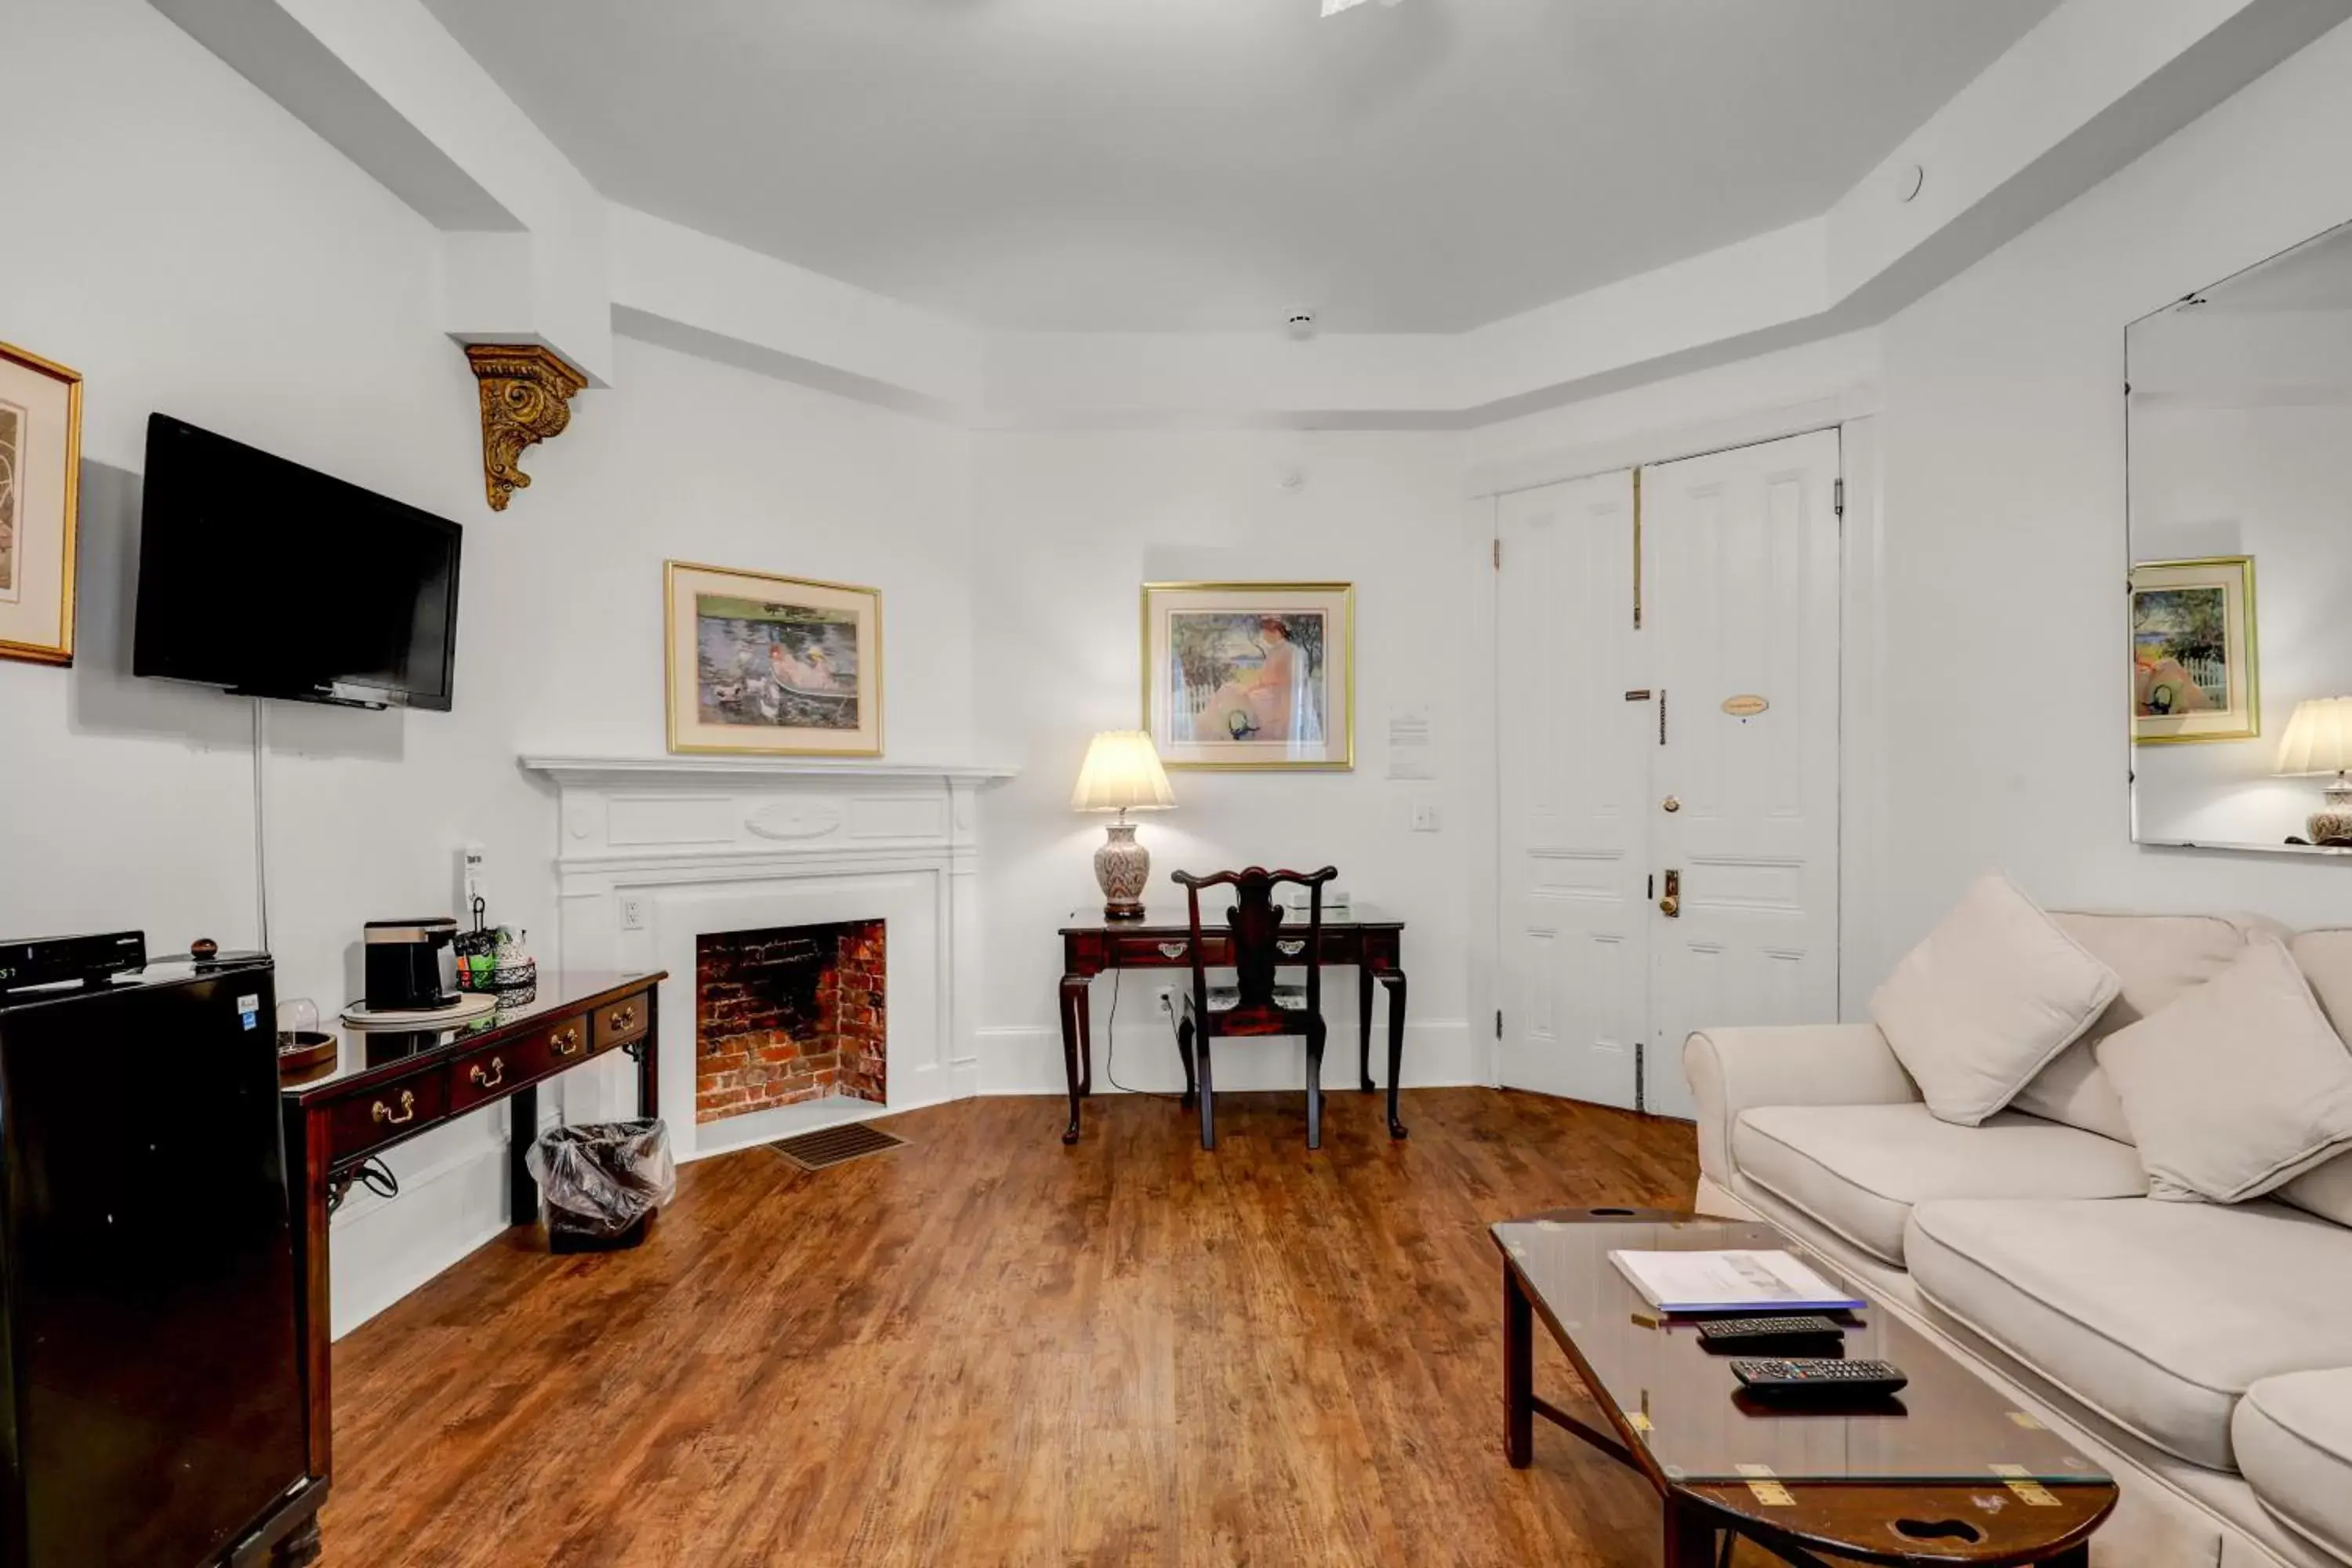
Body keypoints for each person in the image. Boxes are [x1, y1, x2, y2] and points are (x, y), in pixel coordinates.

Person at [1192, 617, 1312, 742]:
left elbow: (1275, 678)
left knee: (1233, 693)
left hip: (1274, 697)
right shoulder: (1279, 651)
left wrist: (1251, 689)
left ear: (1276, 632)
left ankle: (1219, 726)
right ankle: (1213, 723)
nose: (1264, 637)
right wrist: (1250, 688)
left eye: (1266, 633)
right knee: (1229, 689)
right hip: (1269, 692)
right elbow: (1264, 678)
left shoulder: (1287, 651)